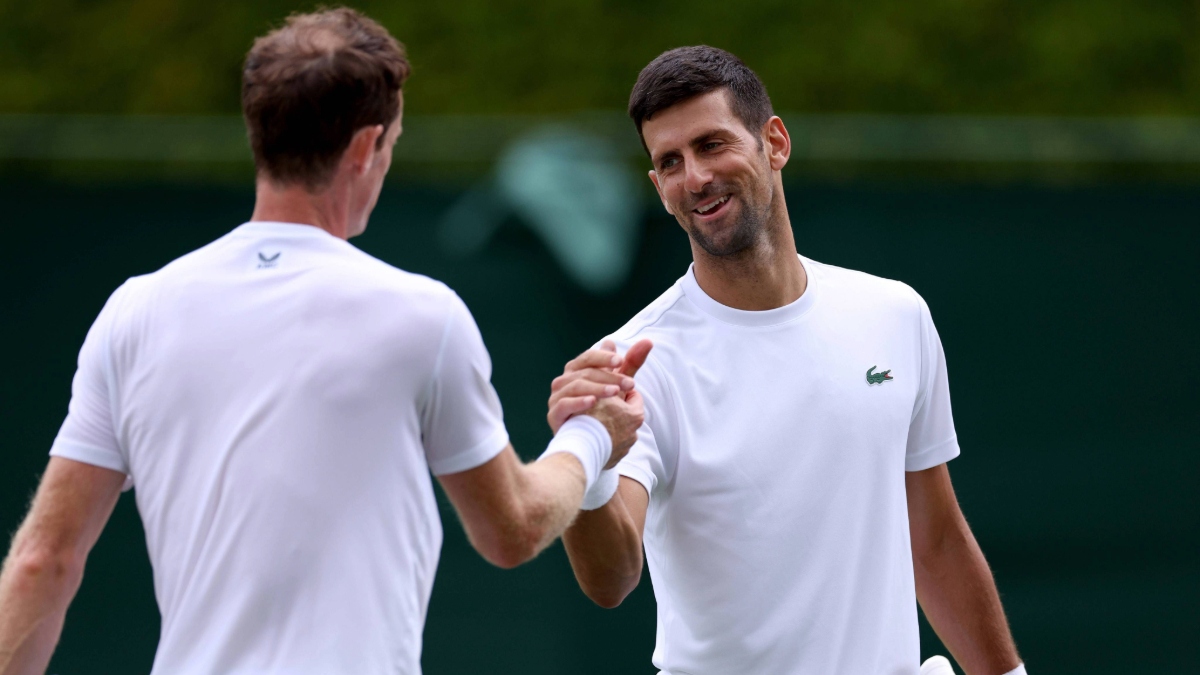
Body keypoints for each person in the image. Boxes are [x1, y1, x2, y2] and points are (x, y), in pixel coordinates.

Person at [0, 9, 645, 675]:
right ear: (366, 147)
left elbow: (43, 558)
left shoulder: (132, 312)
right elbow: (513, 527)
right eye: (391, 143)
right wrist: (593, 435)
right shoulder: (424, 315)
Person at [551, 46, 1028, 675]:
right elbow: (610, 579)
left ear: (774, 143)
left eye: (712, 144)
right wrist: (591, 472)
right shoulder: (638, 363)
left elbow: (934, 539)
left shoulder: (896, 315)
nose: (694, 177)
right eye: (670, 162)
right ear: (658, 188)